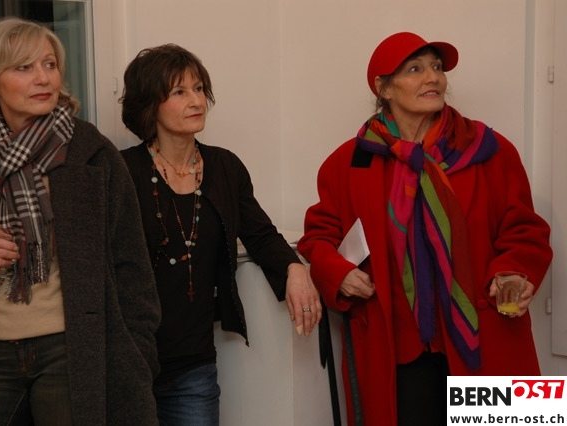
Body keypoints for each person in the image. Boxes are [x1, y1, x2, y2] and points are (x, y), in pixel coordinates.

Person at [297, 31, 553, 426]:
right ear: (384, 88)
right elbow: (318, 238)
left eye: (436, 67)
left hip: (485, 339)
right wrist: (339, 273)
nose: (432, 77)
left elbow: (525, 229)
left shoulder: (490, 149)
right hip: (396, 349)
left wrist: (513, 271)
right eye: (415, 69)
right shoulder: (347, 163)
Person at [0, 17, 161, 426]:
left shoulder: (93, 153)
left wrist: (137, 354)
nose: (43, 78)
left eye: (50, 65)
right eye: (24, 67)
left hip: (74, 351)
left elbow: (132, 267)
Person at [118, 43, 322, 426]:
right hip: (129, 361)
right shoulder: (122, 172)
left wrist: (295, 269)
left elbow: (261, 234)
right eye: (179, 91)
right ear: (150, 104)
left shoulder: (225, 166)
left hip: (194, 364)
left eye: (198, 89)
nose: (196, 100)